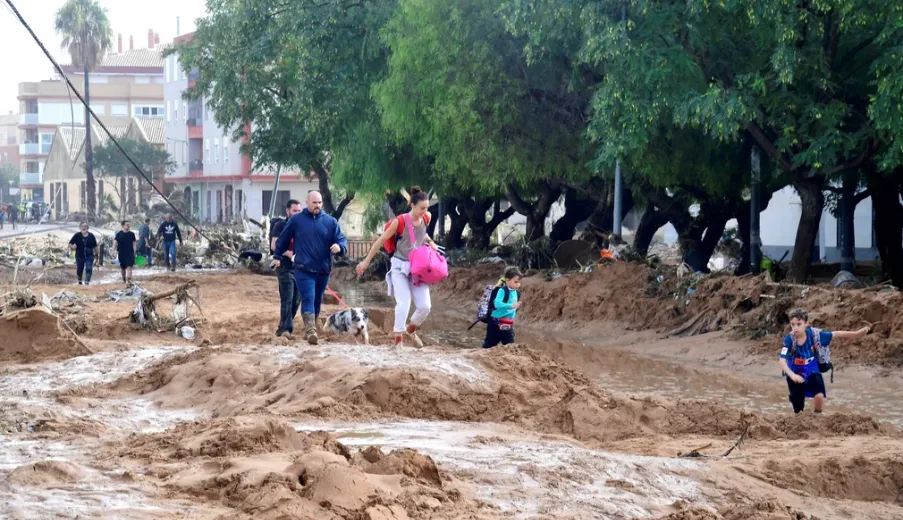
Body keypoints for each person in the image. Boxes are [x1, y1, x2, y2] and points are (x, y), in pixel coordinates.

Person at [356, 186, 439, 347]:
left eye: (427, 208)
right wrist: (365, 262)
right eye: (422, 208)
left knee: (425, 306)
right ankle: (398, 341)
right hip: (400, 267)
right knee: (404, 303)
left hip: (418, 269)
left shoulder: (426, 217)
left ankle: (411, 330)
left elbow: (422, 234)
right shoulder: (399, 221)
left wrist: (430, 242)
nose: (425, 211)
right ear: (412, 205)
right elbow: (380, 241)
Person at [274, 191, 348, 345]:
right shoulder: (296, 220)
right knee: (308, 297)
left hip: (323, 269)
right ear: (307, 203)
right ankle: (311, 331)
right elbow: (283, 239)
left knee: (317, 300)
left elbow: (342, 240)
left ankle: (310, 326)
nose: (318, 205)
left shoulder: (330, 222)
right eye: (314, 202)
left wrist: (339, 247)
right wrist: (277, 256)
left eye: (320, 202)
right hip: (303, 268)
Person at [780, 308, 870, 414]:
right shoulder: (789, 339)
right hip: (794, 369)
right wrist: (792, 375)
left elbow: (836, 334)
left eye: (799, 324)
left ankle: (817, 417)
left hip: (811, 367)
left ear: (806, 323)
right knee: (798, 406)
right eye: (793, 324)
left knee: (819, 396)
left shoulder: (815, 335)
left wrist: (856, 334)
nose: (795, 328)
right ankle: (799, 417)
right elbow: (782, 361)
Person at [270, 199, 303, 337]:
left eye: (299, 211)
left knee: (297, 299)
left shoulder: (302, 227)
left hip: (298, 267)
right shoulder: (280, 225)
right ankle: (286, 329)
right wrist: (288, 253)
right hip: (283, 264)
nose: (297, 213)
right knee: (287, 296)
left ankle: (283, 325)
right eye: (294, 211)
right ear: (288, 211)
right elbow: (274, 246)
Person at [483, 267, 523, 348]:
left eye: (519, 282)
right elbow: (497, 304)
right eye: (516, 282)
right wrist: (511, 306)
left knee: (510, 346)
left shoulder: (517, 292)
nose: (518, 284)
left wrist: (516, 306)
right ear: (507, 280)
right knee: (489, 345)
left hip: (507, 323)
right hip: (495, 323)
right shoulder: (502, 290)